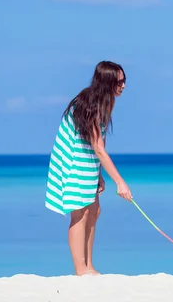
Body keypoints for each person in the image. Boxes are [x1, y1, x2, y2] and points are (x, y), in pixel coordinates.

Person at [44, 60, 133, 276]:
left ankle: (89, 266)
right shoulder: (90, 102)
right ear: (107, 82)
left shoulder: (105, 102)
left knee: (94, 210)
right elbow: (98, 147)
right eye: (119, 82)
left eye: (124, 81)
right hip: (73, 160)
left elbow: (97, 143)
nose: (123, 86)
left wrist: (100, 174)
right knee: (80, 213)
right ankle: (80, 269)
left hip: (88, 160)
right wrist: (120, 182)